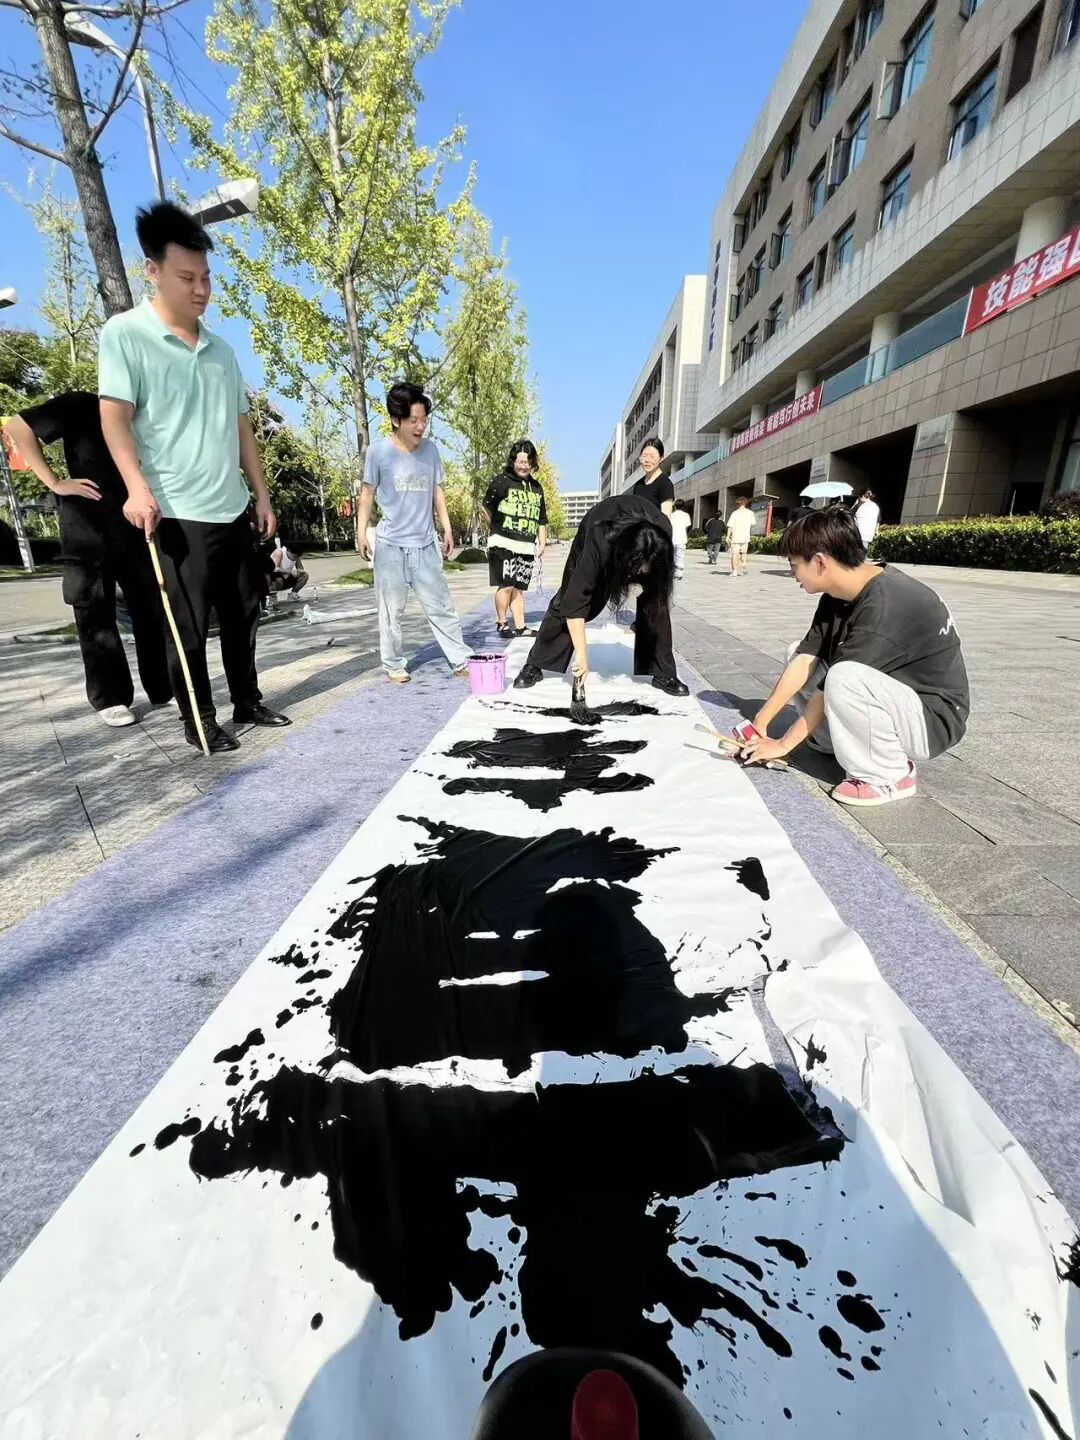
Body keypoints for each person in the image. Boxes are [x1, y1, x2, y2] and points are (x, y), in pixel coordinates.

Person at [99, 201, 289, 755]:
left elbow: (242, 427)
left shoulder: (221, 351)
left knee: (244, 612)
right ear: (152, 271)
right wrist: (136, 487)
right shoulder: (126, 334)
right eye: (187, 278)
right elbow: (114, 419)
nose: (201, 289)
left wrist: (261, 495)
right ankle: (200, 719)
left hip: (230, 505)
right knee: (187, 626)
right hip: (175, 509)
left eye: (205, 277)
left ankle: (247, 699)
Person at [740, 508, 969, 808]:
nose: (793, 575)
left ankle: (889, 775)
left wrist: (783, 745)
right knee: (797, 652)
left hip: (931, 720)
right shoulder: (837, 594)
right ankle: (831, 740)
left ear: (820, 562)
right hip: (892, 695)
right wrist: (761, 722)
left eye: (794, 566)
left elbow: (831, 687)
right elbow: (806, 659)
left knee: (843, 676)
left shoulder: (886, 606)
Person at [3, 395, 171, 726]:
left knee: (151, 607)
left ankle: (163, 686)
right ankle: (110, 697)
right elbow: (17, 426)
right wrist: (54, 482)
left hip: (137, 521)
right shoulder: (80, 404)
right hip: (87, 523)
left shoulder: (146, 412)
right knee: (94, 609)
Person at [513, 493, 689, 697]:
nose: (642, 572)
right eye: (638, 566)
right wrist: (581, 656)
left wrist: (649, 567)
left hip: (641, 544)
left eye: (646, 566)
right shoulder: (600, 538)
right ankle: (536, 663)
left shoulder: (662, 532)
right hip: (599, 526)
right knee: (567, 599)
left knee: (657, 601)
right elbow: (576, 600)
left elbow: (653, 574)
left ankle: (663, 672)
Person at [356, 382, 471, 684]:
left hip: (425, 545)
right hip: (391, 546)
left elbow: (437, 490)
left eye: (424, 420)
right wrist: (360, 532)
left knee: (442, 606)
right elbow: (367, 494)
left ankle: (460, 659)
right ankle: (394, 663)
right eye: (414, 420)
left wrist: (446, 527)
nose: (421, 427)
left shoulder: (431, 450)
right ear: (397, 420)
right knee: (391, 611)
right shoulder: (379, 452)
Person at [482, 439, 548, 638]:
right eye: (520, 461)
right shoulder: (501, 481)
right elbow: (486, 508)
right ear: (513, 461)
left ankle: (520, 627)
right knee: (507, 584)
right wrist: (495, 528)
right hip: (503, 542)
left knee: (519, 588)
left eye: (527, 462)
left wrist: (542, 541)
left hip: (526, 545)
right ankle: (502, 623)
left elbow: (541, 519)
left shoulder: (536, 487)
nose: (523, 466)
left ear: (533, 462)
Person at [631, 437, 674, 515]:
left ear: (661, 458)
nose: (647, 460)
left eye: (652, 456)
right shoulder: (638, 485)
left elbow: (666, 518)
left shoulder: (665, 484)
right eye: (644, 456)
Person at [725, 496, 755, 576]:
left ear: (738, 504)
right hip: (745, 536)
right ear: (745, 503)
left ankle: (735, 571)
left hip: (736, 537)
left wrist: (727, 537)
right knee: (744, 552)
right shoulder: (750, 513)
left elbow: (730, 526)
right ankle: (744, 562)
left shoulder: (735, 513)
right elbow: (753, 523)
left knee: (735, 554)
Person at [669, 501, 692, 579]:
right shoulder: (686, 515)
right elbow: (688, 527)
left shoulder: (671, 515)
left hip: (672, 538)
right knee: (680, 556)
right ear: (683, 506)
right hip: (681, 538)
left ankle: (672, 572)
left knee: (671, 557)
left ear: (675, 506)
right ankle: (679, 573)